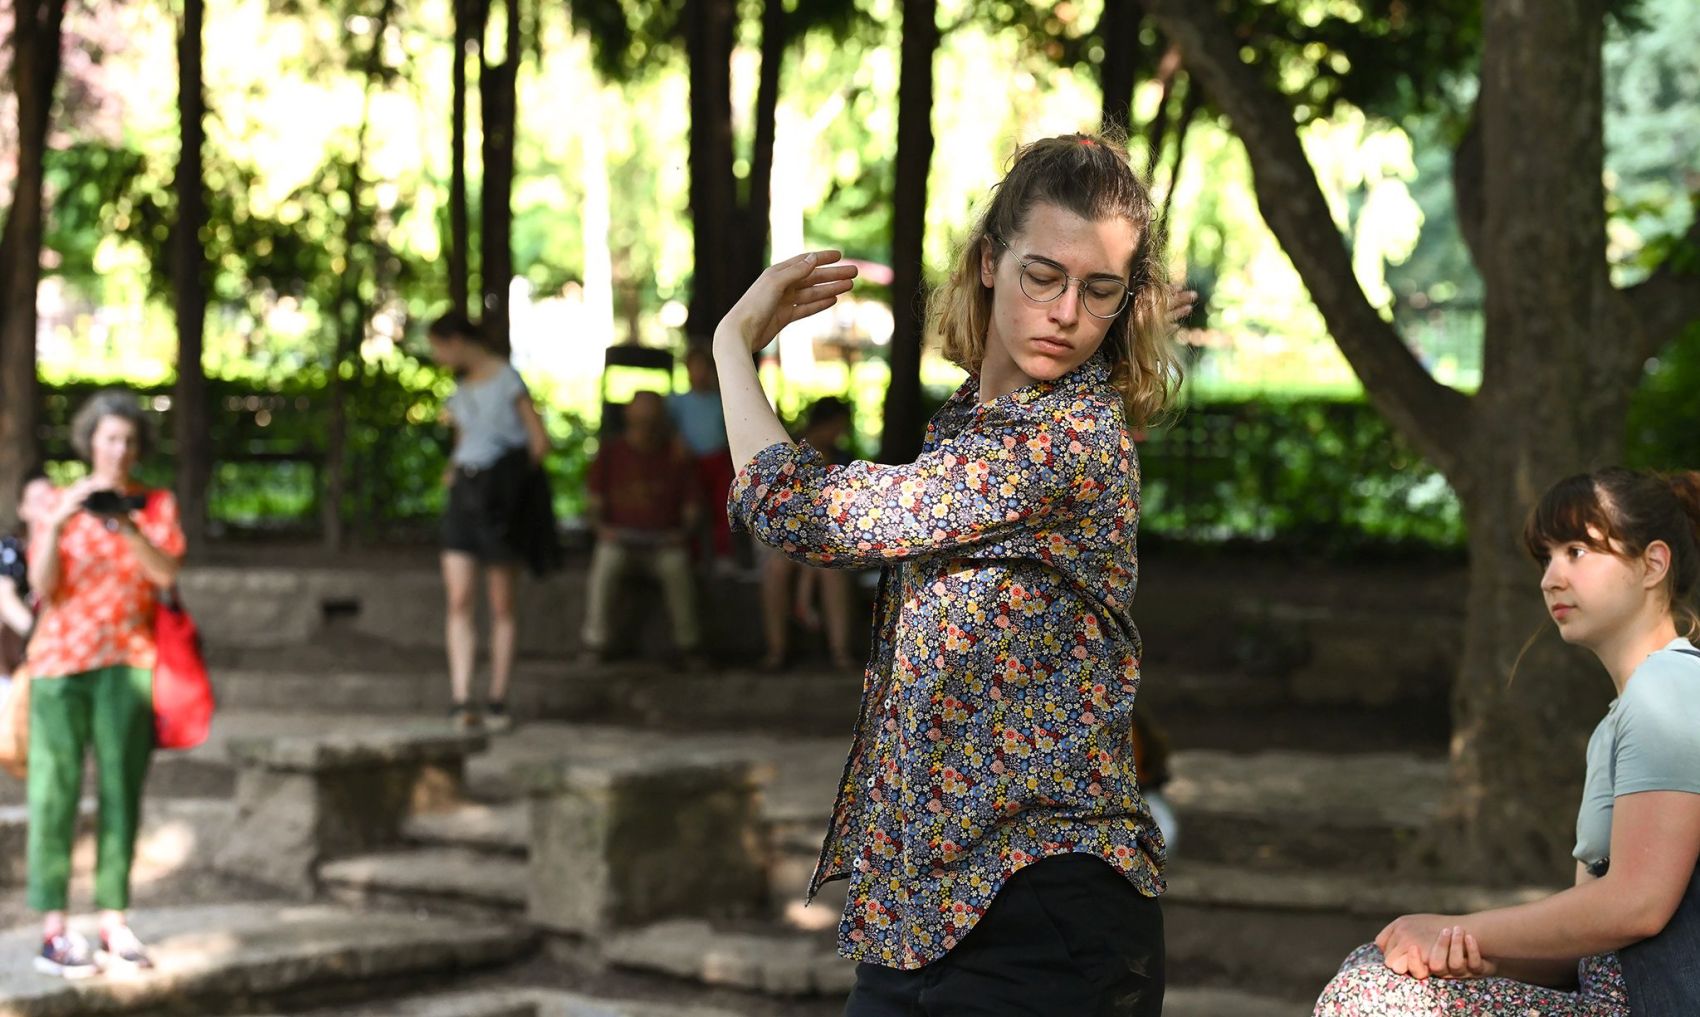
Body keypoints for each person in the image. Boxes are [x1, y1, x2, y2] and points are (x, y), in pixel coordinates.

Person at [718, 133, 1195, 1015]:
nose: (1066, 312)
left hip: (1045, 912)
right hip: (922, 911)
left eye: (1099, 290)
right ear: (988, 261)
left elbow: (810, 513)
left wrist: (731, 343)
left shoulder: (1068, 442)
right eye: (1042, 276)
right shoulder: (972, 426)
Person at [1314, 467, 1700, 1017]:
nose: (1550, 579)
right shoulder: (1618, 721)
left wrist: (1458, 926)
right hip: (1607, 996)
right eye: (1546, 558)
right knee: (1374, 966)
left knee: (1368, 997)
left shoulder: (1674, 685)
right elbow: (1589, 947)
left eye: (1576, 551)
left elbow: (1638, 905)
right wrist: (1481, 958)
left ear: (1653, 564)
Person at [25, 390, 186, 978]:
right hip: (59, 664)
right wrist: (59, 520)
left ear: (138, 449)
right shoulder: (56, 501)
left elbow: (165, 575)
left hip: (128, 661)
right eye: (109, 438)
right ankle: (54, 929)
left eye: (128, 441)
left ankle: (114, 922)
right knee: (54, 792)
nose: (118, 450)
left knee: (122, 790)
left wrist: (127, 525)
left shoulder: (154, 505)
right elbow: (43, 586)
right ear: (90, 442)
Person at [429, 312, 553, 733]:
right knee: (458, 598)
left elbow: (538, 442)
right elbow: (463, 443)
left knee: (502, 604)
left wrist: (510, 489)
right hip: (463, 498)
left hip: (500, 502)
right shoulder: (460, 390)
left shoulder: (507, 379)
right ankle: (461, 698)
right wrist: (454, 474)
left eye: (439, 347)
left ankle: (498, 700)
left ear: (455, 340)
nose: (437, 357)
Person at [581, 390, 706, 669]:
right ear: (627, 414)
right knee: (606, 559)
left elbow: (692, 509)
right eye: (641, 410)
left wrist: (681, 534)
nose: (646, 418)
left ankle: (689, 646)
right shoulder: (611, 453)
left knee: (676, 567)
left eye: (652, 410)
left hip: (662, 545)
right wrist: (601, 529)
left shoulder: (677, 455)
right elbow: (593, 505)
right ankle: (595, 642)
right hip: (621, 542)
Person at [758, 397, 857, 672]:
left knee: (831, 570)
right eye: (837, 427)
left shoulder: (842, 459)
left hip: (828, 540)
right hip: (786, 538)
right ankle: (776, 651)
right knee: (776, 570)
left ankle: (839, 651)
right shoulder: (790, 454)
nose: (839, 433)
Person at [667, 345, 737, 572]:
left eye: (703, 367)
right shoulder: (677, 401)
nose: (699, 372)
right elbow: (668, 429)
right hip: (690, 463)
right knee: (692, 509)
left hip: (717, 460)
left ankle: (723, 555)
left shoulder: (720, 400)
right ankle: (692, 556)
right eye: (694, 367)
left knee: (722, 508)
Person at [2, 468, 54, 692]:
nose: (45, 506)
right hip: (17, 655)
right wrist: (37, 635)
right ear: (22, 509)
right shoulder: (12, 548)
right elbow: (4, 597)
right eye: (37, 501)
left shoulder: (73, 548)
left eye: (50, 498)